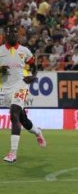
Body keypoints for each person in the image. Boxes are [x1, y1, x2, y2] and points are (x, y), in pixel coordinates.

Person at [1, 25, 46, 163]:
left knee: (14, 114)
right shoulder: (0, 51)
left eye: (15, 33)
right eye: (10, 33)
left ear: (18, 35)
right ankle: (37, 132)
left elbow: (34, 65)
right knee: (23, 120)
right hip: (6, 88)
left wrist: (33, 76)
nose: (13, 36)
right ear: (5, 35)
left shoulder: (24, 50)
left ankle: (13, 153)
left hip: (21, 85)